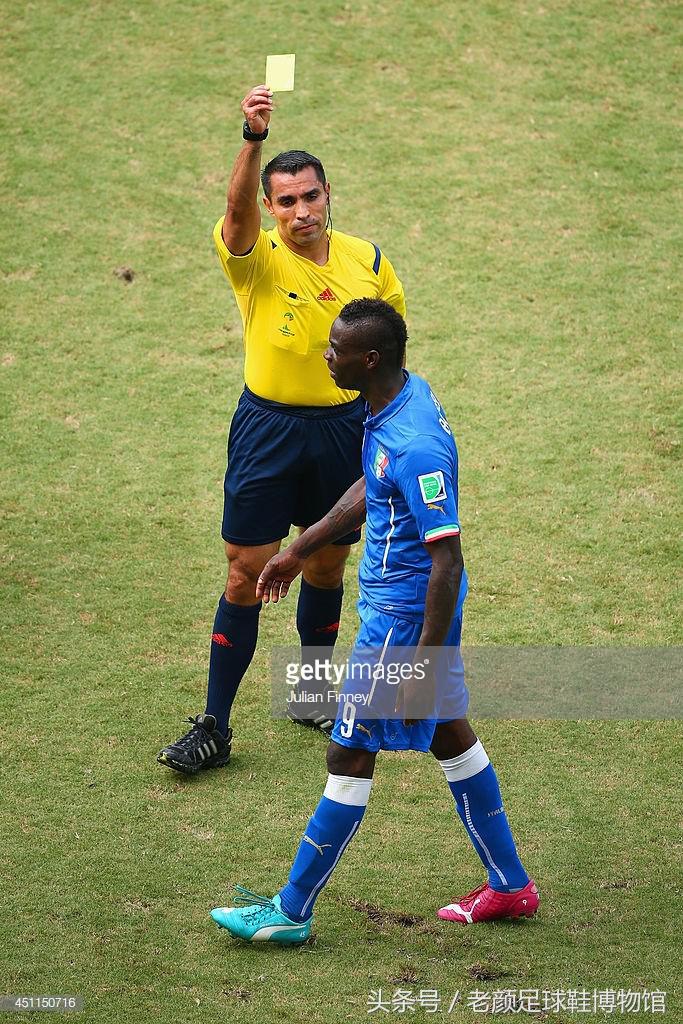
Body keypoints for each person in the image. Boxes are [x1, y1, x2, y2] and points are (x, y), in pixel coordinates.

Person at [209, 299, 539, 941]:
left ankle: (291, 911)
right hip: (403, 611)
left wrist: (421, 666)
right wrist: (301, 549)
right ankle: (510, 886)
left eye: (335, 349)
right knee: (449, 734)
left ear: (369, 359)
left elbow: (447, 561)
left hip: (403, 620)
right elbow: (373, 482)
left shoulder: (416, 445)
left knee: (349, 751)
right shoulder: (395, 401)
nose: (325, 356)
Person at [157, 87, 405, 774]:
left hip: (344, 428)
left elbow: (390, 355)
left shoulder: (369, 262)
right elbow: (233, 213)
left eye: (310, 197)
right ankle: (214, 725)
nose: (301, 211)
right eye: (286, 201)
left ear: (328, 196)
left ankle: (309, 694)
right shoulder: (256, 256)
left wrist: (393, 427)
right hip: (267, 430)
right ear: (270, 207)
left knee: (326, 563)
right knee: (245, 571)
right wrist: (251, 137)